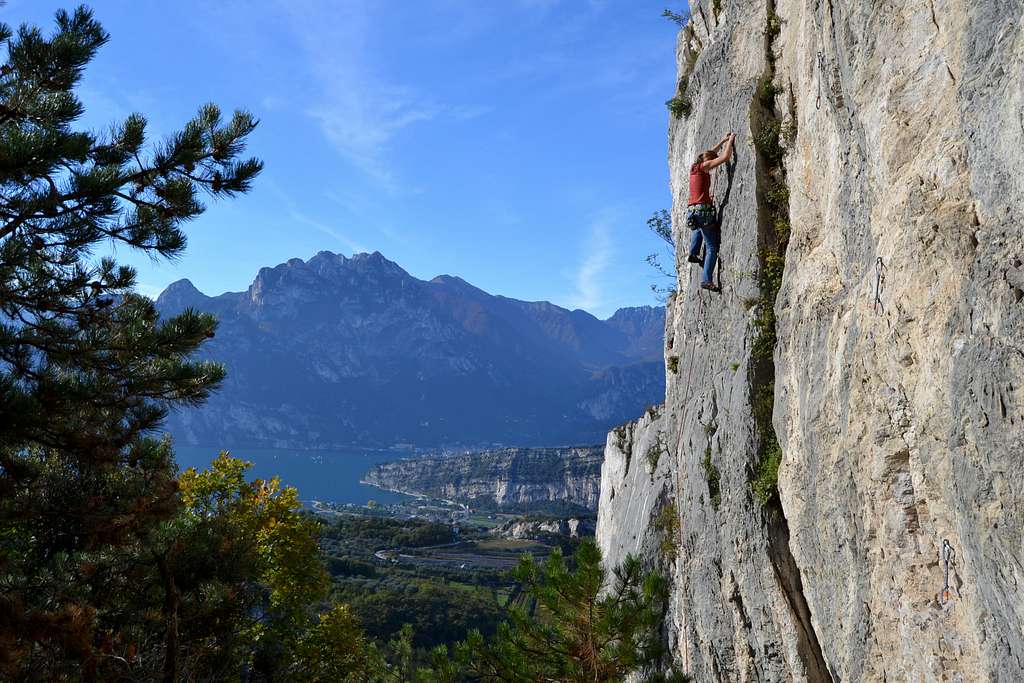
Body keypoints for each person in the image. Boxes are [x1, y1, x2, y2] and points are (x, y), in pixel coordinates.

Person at [686, 132, 735, 292]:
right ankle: (706, 280)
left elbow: (709, 153)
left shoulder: (695, 167)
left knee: (700, 228)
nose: (712, 164)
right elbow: (725, 157)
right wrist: (731, 140)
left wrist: (722, 140)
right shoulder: (705, 166)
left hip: (692, 211)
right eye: (711, 161)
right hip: (703, 211)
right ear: (707, 161)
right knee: (712, 247)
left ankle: (693, 253)